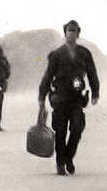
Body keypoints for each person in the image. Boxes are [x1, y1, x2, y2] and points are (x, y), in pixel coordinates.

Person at [38, 20, 100, 175]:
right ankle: (60, 164)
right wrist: (41, 97)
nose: (71, 34)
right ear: (65, 33)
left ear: (78, 33)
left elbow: (92, 73)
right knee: (60, 131)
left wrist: (95, 92)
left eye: (73, 31)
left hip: (77, 98)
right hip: (60, 97)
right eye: (68, 31)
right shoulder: (56, 54)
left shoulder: (85, 53)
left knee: (77, 128)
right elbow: (48, 76)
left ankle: (69, 157)